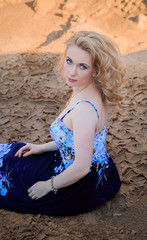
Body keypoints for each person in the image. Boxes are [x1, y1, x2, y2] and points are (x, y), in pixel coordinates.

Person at [0, 31, 125, 215]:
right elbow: (76, 141)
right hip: (98, 168)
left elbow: (82, 167)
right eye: (69, 61)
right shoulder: (91, 88)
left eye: (82, 66)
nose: (72, 72)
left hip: (75, 183)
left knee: (9, 173)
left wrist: (48, 186)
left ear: (96, 69)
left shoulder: (84, 111)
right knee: (15, 153)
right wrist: (41, 148)